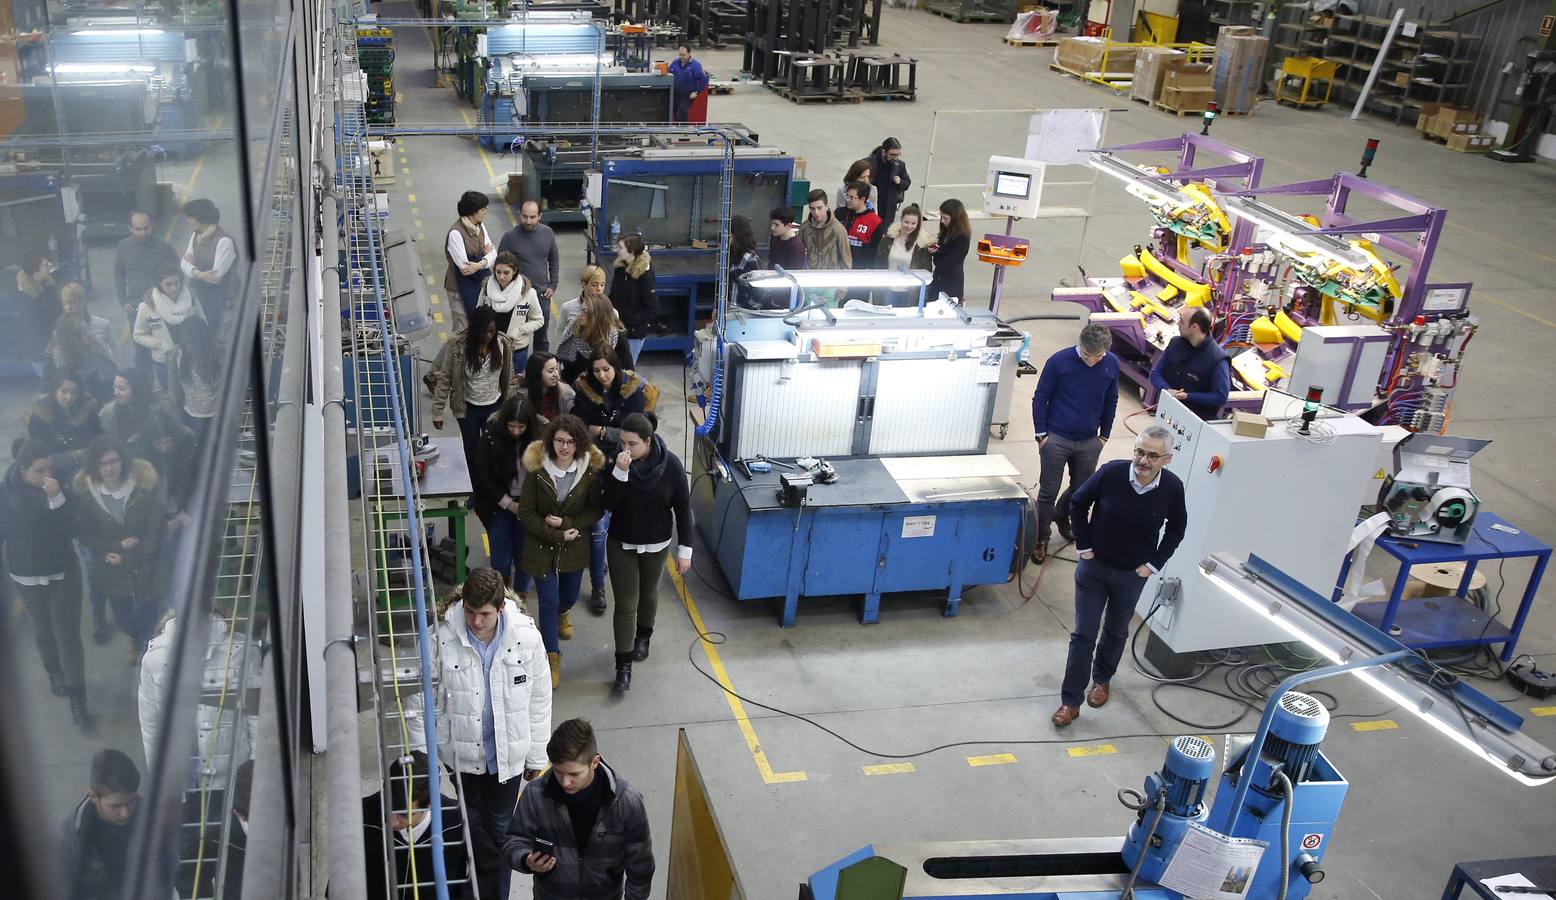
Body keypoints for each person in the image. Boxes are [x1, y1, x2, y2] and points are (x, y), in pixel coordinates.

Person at [421, 569, 551, 900]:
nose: (477, 622)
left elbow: (539, 699)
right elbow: (421, 700)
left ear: (501, 608)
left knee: (499, 832)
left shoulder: (527, 638)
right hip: (461, 759)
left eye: (485, 614)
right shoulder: (440, 638)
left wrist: (537, 754)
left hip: (507, 761)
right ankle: (476, 886)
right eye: (470, 612)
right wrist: (424, 759)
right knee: (472, 825)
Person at [1052, 425, 1187, 727]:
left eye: (1153, 455)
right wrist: (1083, 545)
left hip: (1131, 575)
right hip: (1094, 570)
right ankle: (1070, 701)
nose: (1144, 460)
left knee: (1115, 630)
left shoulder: (1172, 488)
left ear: (1167, 459)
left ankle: (1102, 680)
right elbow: (1077, 502)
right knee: (1083, 634)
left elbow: (1177, 529)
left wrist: (1153, 564)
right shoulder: (1111, 473)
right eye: (1140, 452)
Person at [505, 718, 654, 900]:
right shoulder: (536, 795)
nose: (565, 782)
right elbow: (513, 842)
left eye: (574, 774)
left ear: (594, 762)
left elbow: (641, 868)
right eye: (559, 772)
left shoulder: (626, 802)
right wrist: (526, 860)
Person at [1, 438, 90, 726]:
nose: (47, 476)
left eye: (50, 469)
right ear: (22, 469)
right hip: (26, 574)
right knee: (43, 629)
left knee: (68, 635)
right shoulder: (5, 494)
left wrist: (57, 500)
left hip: (62, 571)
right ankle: (54, 671)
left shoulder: (59, 489)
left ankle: (78, 697)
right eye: (40, 471)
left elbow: (74, 528)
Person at [602, 414, 692, 693]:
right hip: (622, 543)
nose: (625, 450)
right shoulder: (615, 464)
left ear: (649, 442)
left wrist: (685, 550)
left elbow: (683, 507)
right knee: (626, 603)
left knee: (649, 594)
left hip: (656, 544)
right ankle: (623, 665)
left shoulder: (671, 466)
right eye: (622, 443)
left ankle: (644, 635)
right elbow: (609, 504)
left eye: (633, 444)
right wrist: (619, 473)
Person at [516, 415, 605, 686]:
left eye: (570, 442)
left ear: (579, 444)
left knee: (567, 597)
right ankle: (551, 657)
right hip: (541, 547)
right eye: (559, 441)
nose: (564, 447)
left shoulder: (589, 471)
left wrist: (568, 526)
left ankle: (564, 612)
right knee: (548, 601)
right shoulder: (537, 469)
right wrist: (554, 533)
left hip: (574, 547)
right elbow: (526, 512)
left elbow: (595, 510)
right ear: (551, 440)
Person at [1030, 323, 1120, 564]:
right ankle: (1041, 537)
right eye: (1087, 356)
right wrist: (1042, 435)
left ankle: (1062, 514)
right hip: (1056, 437)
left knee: (1082, 490)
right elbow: (1040, 397)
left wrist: (1104, 436)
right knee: (1048, 490)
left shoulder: (1111, 364)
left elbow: (1111, 400)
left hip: (1089, 439)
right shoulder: (1058, 362)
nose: (1092, 361)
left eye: (1098, 357)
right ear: (1080, 345)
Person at [138, 607, 257, 788]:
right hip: (181, 779)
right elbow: (150, 724)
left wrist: (255, 770)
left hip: (233, 776)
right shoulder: (154, 659)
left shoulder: (240, 652)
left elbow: (258, 717)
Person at [73, 436, 165, 664]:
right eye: (103, 463)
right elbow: (86, 536)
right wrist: (115, 548)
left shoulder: (142, 491)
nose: (109, 467)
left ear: (123, 461)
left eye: (113, 461)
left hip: (146, 565)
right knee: (124, 619)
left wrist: (131, 556)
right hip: (112, 569)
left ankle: (147, 652)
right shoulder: (88, 499)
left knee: (148, 615)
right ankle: (134, 637)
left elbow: (156, 531)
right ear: (94, 466)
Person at [572, 347, 648, 618]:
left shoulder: (632, 391)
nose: (602, 375)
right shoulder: (583, 392)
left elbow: (639, 430)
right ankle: (598, 587)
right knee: (597, 530)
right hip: (596, 471)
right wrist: (616, 436)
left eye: (606, 369)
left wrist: (602, 431)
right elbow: (579, 430)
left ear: (617, 367)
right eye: (596, 370)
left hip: (628, 471)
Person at [362, 751, 469, 900]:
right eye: (389, 807)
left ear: (429, 805)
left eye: (405, 815)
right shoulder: (361, 816)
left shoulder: (458, 822)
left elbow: (486, 874)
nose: (393, 822)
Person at [472, 394, 544, 592]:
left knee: (524, 559)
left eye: (521, 427)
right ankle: (503, 593)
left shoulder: (539, 440)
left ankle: (519, 596)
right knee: (501, 560)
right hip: (498, 506)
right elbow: (482, 474)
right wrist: (508, 504)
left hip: (529, 507)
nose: (515, 431)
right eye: (511, 426)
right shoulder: (491, 436)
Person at [430, 306, 516, 469]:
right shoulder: (458, 346)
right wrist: (437, 412)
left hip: (494, 409)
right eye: (483, 332)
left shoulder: (503, 344)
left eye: (491, 331)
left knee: (494, 451)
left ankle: (490, 489)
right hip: (468, 410)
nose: (487, 336)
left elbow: (510, 379)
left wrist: (510, 410)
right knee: (471, 452)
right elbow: (445, 379)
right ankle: (475, 490)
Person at [63, 749, 140, 900]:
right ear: (93, 796)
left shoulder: (152, 819)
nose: (125, 813)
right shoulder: (68, 842)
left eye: (131, 802)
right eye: (115, 806)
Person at [497, 201, 561, 352]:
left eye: (533, 217)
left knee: (542, 338)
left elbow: (554, 259)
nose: (528, 221)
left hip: (541, 294)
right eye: (525, 217)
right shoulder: (509, 237)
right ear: (520, 215)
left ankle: (540, 371)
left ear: (540, 216)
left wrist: (553, 285)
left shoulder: (547, 233)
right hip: (518, 296)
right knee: (514, 337)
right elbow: (499, 266)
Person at [1149, 307, 1230, 421]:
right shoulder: (1175, 344)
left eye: (1181, 321)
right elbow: (1155, 374)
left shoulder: (1217, 359)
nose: (1178, 323)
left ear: (1194, 327)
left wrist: (1188, 396)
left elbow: (1220, 397)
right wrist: (1167, 390)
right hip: (1167, 413)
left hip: (1196, 422)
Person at [134, 267, 206, 393]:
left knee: (195, 396)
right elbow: (138, 335)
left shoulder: (191, 298)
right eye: (168, 284)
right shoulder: (147, 306)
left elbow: (203, 322)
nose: (173, 288)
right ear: (159, 284)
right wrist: (160, 344)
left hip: (192, 359)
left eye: (176, 283)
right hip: (165, 362)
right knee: (174, 397)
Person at [50, 284, 123, 398]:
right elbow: (57, 359)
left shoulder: (102, 324)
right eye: (65, 303)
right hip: (76, 383)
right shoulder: (59, 330)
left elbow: (115, 347)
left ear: (83, 302)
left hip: (100, 379)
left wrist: (114, 368)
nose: (68, 307)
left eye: (72, 303)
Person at [556, 281, 632, 387]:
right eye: (581, 311)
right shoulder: (575, 331)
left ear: (597, 316)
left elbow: (628, 371)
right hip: (579, 389)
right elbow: (568, 367)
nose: (580, 315)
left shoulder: (617, 337)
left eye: (585, 312)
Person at [479, 251, 544, 373]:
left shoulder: (528, 293)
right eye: (498, 272)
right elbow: (478, 314)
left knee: (512, 385)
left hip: (517, 349)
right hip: (490, 347)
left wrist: (520, 330)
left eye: (506, 273)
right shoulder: (486, 289)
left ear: (515, 271)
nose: (501, 277)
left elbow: (539, 320)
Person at [114, 211, 180, 329]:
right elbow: (119, 275)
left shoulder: (165, 248)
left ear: (152, 225)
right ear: (130, 228)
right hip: (135, 307)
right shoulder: (123, 246)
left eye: (146, 228)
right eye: (138, 229)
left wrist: (172, 300)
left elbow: (178, 276)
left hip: (161, 306)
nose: (143, 233)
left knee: (165, 342)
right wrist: (123, 301)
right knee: (140, 343)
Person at [444, 190, 497, 324]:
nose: (485, 211)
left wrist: (480, 262)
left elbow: (493, 254)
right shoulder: (456, 233)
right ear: (472, 211)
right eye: (482, 209)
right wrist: (484, 255)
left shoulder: (480, 227)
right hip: (458, 290)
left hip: (478, 285)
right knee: (463, 330)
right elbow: (465, 268)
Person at [180, 199, 238, 318]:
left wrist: (192, 266)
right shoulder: (196, 235)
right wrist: (199, 273)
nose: (188, 221)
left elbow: (214, 278)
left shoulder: (223, 241)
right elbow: (183, 263)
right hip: (200, 293)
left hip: (219, 298)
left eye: (191, 218)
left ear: (202, 218)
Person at [610, 235, 658, 367]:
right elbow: (613, 295)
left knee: (625, 371)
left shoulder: (645, 275)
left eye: (620, 248)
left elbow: (652, 309)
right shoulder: (620, 269)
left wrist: (629, 321)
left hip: (633, 334)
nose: (617, 250)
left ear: (631, 251)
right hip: (616, 329)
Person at [172, 316, 221, 437]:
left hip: (216, 415)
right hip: (191, 416)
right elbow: (176, 389)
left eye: (194, 343)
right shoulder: (177, 356)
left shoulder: (218, 357)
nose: (190, 347)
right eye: (186, 343)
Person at [928, 198, 971, 301]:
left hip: (950, 284)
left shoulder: (962, 237)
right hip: (939, 278)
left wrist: (937, 254)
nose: (942, 221)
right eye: (941, 217)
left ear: (955, 219)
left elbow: (949, 262)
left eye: (945, 218)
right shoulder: (947, 231)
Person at [520, 351, 575, 429]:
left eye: (557, 368)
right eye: (551, 371)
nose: (556, 374)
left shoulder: (566, 393)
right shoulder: (522, 394)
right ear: (537, 373)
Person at [867, 138, 912, 232]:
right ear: (884, 152)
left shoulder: (899, 165)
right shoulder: (870, 163)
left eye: (897, 155)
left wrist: (900, 182)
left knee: (884, 233)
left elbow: (907, 183)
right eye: (892, 154)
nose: (895, 157)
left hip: (888, 208)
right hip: (871, 205)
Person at [799, 189, 851, 270]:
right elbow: (799, 254)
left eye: (819, 208)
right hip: (811, 276)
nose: (816, 212)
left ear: (827, 206)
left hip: (831, 277)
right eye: (812, 208)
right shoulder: (804, 228)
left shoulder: (838, 229)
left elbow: (846, 260)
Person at [837, 182, 884, 270]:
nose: (848, 200)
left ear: (862, 199)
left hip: (861, 270)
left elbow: (878, 251)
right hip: (839, 267)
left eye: (852, 198)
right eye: (847, 196)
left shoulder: (875, 221)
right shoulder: (839, 213)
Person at [875, 203, 932, 272]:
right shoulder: (888, 239)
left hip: (911, 281)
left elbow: (926, 271)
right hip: (888, 280)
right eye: (906, 222)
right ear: (901, 220)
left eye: (913, 223)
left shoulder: (922, 245)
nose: (909, 226)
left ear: (918, 224)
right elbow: (878, 263)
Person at [667, 44, 708, 123]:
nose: (681, 57)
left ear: (689, 54)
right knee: (675, 112)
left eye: (683, 55)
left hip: (687, 96)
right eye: (680, 55)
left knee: (681, 112)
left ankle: (684, 131)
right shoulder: (675, 62)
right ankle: (679, 131)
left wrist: (696, 92)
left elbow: (704, 79)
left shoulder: (695, 66)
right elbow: (668, 73)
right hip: (675, 94)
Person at [727, 214, 763, 293]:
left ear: (737, 236)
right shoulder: (729, 253)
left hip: (740, 305)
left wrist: (747, 305)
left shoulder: (751, 258)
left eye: (729, 235)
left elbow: (761, 290)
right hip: (728, 303)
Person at [767, 206, 805, 270]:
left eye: (776, 225)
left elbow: (794, 272)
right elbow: (771, 261)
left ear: (788, 225)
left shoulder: (796, 246)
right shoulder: (774, 236)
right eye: (772, 223)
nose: (772, 227)